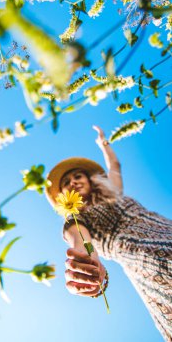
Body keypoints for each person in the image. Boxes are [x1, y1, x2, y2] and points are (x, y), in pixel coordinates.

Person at [45, 125, 172, 341]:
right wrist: (87, 266)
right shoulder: (75, 219)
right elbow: (82, 241)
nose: (73, 182)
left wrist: (103, 143)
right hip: (144, 256)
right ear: (63, 195)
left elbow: (115, 166)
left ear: (90, 180)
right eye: (66, 183)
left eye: (78, 176)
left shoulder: (114, 194)